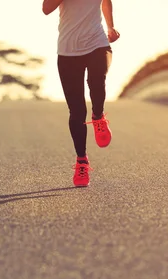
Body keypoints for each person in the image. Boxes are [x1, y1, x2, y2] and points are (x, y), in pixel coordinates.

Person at [43, 0, 120, 187]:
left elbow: (106, 1)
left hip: (98, 43)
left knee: (97, 79)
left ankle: (98, 116)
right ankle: (82, 161)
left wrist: (110, 27)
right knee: (77, 113)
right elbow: (46, 9)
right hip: (68, 52)